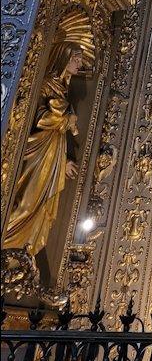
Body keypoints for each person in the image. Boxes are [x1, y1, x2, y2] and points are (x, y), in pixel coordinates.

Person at [4, 44, 83, 255]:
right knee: (27, 204)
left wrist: (63, 161)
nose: (80, 63)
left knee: (41, 207)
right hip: (39, 150)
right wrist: (67, 118)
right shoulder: (48, 85)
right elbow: (40, 118)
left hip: (53, 152)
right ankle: (8, 244)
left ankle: (24, 251)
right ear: (64, 57)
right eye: (76, 58)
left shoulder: (62, 90)